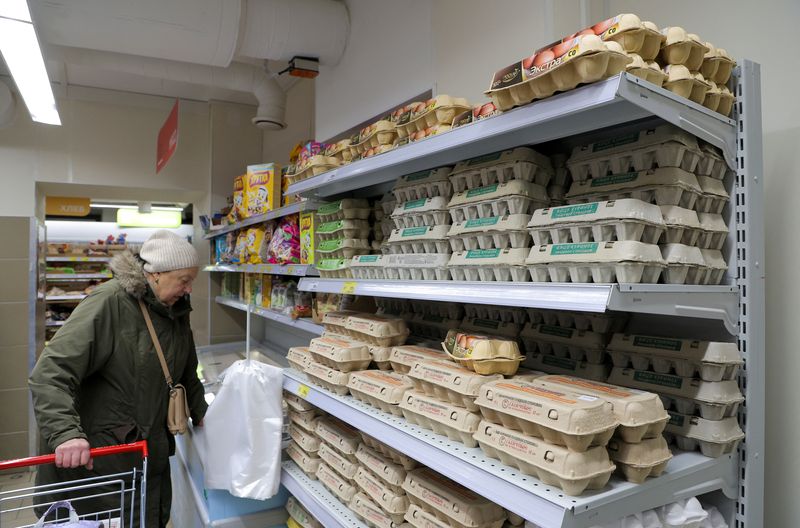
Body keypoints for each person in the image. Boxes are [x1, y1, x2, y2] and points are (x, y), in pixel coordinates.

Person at [29, 230, 208, 527]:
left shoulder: (175, 309)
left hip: (147, 453)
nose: (189, 289)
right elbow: (49, 373)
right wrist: (66, 434)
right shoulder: (109, 303)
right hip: (102, 461)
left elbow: (187, 367)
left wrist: (201, 412)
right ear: (156, 275)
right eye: (184, 280)